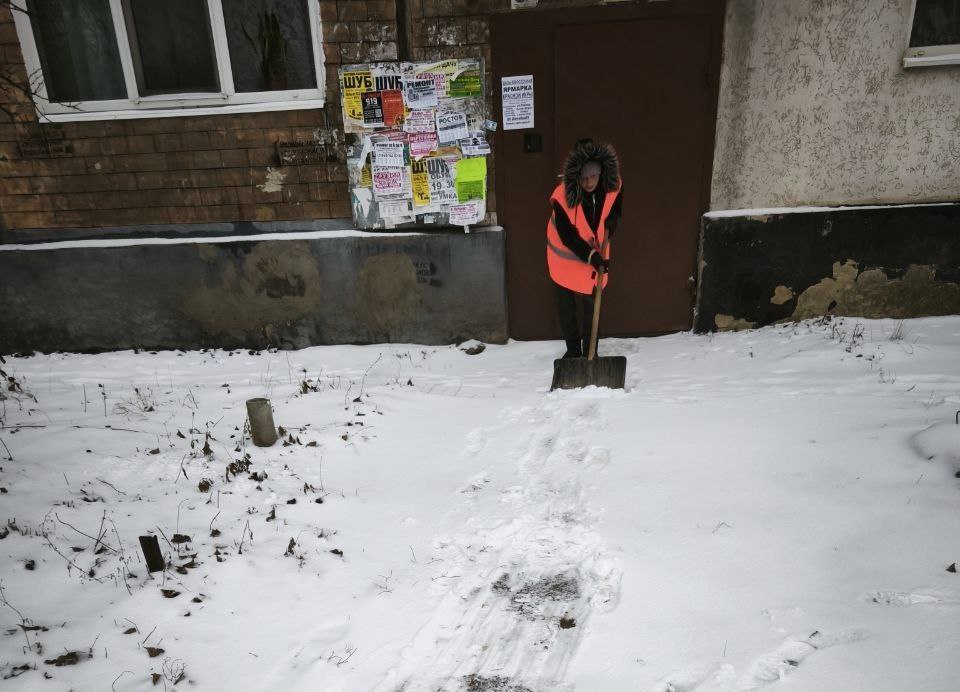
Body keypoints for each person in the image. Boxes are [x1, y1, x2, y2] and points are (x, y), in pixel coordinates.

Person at [546, 139, 623, 358]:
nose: (589, 183)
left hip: (594, 257)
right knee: (566, 307)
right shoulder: (562, 196)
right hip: (564, 258)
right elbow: (568, 236)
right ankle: (572, 351)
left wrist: (613, 222)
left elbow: (615, 209)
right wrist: (592, 256)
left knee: (592, 304)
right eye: (583, 178)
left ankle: (591, 351)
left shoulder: (612, 186)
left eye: (593, 177)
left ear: (601, 173)